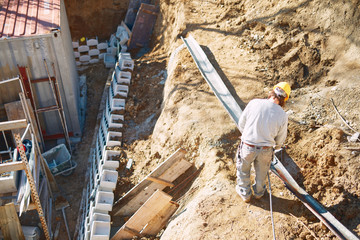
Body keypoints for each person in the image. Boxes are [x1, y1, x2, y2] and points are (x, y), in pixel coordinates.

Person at [236, 82, 291, 203]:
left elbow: (241, 123)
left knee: (243, 170)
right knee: (262, 173)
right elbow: (281, 138)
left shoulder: (254, 103)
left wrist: (247, 135)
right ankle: (259, 193)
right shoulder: (282, 115)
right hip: (266, 150)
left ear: (272, 93)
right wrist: (276, 147)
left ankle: (245, 194)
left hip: (248, 146)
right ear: (284, 99)